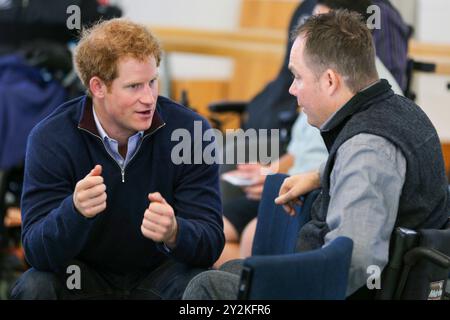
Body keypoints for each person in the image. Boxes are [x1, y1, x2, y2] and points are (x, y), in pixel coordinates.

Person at [183, 10, 449, 299]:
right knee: (232, 269)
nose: (291, 89)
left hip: (340, 289)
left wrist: (277, 280)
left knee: (206, 286)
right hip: (362, 273)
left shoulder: (366, 151)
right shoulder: (398, 110)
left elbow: (354, 264)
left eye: (297, 77)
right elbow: (384, 168)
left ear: (330, 81)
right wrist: (320, 174)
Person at [10, 19, 224, 300]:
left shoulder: (190, 132)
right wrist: (73, 212)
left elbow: (211, 241)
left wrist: (176, 232)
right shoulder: (51, 137)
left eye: (152, 82)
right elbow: (36, 252)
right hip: (83, 280)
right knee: (36, 285)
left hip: (160, 279)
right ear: (98, 87)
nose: (148, 98)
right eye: (134, 86)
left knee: (203, 282)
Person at [218, 0, 404, 266]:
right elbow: (298, 151)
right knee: (212, 228)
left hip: (312, 198)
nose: (292, 90)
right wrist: (269, 174)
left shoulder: (370, 104)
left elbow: (356, 254)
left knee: (250, 238)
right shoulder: (317, 78)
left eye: (319, 24)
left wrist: (287, 182)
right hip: (297, 186)